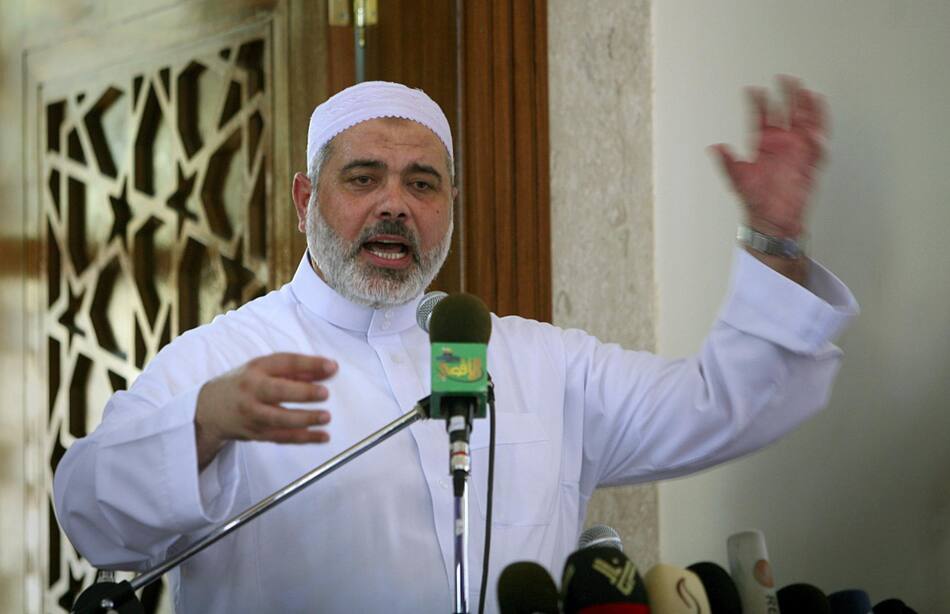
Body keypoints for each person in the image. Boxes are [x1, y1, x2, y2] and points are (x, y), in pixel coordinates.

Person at [53, 79, 857, 613]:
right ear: (306, 199)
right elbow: (89, 512)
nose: (395, 206)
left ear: (452, 204)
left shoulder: (536, 362)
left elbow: (724, 405)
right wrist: (205, 424)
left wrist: (774, 238)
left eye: (422, 183)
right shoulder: (219, 361)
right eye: (364, 178)